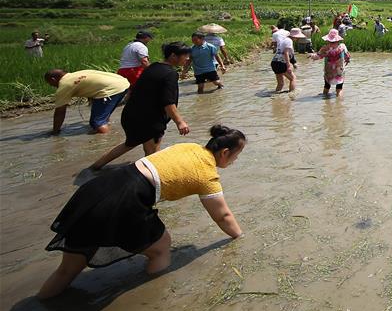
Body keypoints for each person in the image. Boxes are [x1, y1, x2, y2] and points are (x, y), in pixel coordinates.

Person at [37, 126, 245, 299]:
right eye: (237, 155)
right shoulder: (207, 176)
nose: (235, 160)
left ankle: (43, 304)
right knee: (162, 247)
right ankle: (152, 299)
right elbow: (223, 216)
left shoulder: (188, 146)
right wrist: (239, 237)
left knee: (67, 270)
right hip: (124, 201)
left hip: (97, 189)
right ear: (225, 152)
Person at [91, 42, 192, 169]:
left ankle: (94, 167)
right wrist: (180, 122)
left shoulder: (153, 67)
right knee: (152, 156)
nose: (188, 58)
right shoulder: (170, 74)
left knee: (129, 144)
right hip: (149, 120)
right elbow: (168, 102)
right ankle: (150, 181)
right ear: (173, 56)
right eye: (185, 55)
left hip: (131, 115)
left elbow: (136, 90)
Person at [45, 69, 130, 135]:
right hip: (123, 84)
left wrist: (55, 131)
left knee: (96, 123)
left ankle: (107, 141)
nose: (51, 86)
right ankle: (108, 128)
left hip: (110, 89)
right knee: (102, 117)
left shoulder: (64, 85)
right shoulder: (75, 74)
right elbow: (93, 85)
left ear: (53, 79)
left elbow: (60, 112)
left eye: (50, 83)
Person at [311, 28, 351, 97]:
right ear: (338, 40)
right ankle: (339, 103)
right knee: (339, 88)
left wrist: (311, 56)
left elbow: (317, 57)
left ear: (328, 40)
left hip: (329, 72)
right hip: (339, 71)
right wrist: (347, 60)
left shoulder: (325, 48)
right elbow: (347, 55)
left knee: (326, 86)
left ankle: (325, 98)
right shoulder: (342, 46)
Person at [271, 27, 301, 93]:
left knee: (281, 83)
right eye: (298, 37)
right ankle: (292, 95)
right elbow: (286, 52)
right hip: (281, 63)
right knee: (293, 78)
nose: (298, 39)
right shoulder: (289, 40)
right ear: (295, 37)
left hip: (274, 62)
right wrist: (288, 65)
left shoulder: (284, 40)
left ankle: (277, 98)